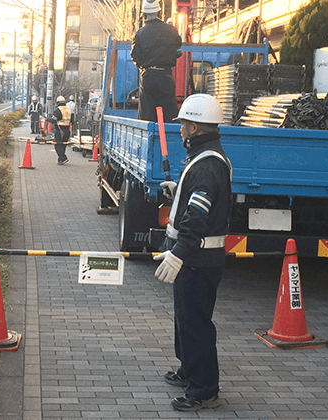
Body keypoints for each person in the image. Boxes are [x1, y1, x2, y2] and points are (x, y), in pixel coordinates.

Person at [153, 94, 232, 412]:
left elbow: (197, 218)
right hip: (198, 259)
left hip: (197, 260)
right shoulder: (206, 157)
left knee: (196, 323)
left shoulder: (206, 165)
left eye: (184, 123)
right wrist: (179, 193)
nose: (181, 129)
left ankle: (204, 389)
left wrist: (178, 254)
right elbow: (201, 201)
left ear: (195, 126)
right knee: (186, 319)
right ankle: (189, 370)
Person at [131, 0, 182, 122]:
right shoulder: (171, 31)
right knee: (169, 114)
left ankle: (149, 139)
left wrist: (144, 66)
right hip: (166, 75)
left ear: (143, 15)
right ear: (159, 13)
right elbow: (178, 48)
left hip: (149, 76)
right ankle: (168, 139)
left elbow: (135, 56)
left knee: (147, 115)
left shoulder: (140, 33)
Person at [48, 96, 72, 165]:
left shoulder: (58, 110)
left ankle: (63, 158)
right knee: (63, 145)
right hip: (67, 129)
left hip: (59, 129)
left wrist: (48, 119)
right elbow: (72, 120)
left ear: (58, 102)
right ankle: (60, 160)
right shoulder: (69, 109)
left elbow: (53, 119)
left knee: (57, 145)